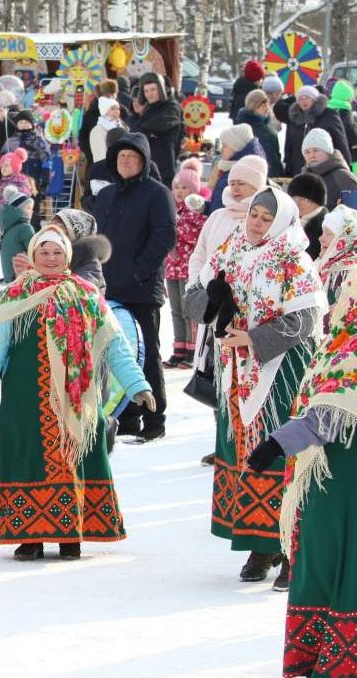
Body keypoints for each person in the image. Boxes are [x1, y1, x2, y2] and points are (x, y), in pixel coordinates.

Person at [0, 227, 154, 560]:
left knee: (72, 460)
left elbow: (115, 346)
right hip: (25, 401)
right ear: (33, 256)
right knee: (28, 461)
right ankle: (29, 537)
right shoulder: (13, 296)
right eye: (44, 253)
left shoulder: (86, 295)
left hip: (74, 401)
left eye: (57, 253)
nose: (51, 259)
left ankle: (70, 535)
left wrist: (137, 385)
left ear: (68, 257)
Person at [184, 186, 324, 590]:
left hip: (281, 368)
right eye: (255, 215)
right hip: (236, 369)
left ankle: (290, 546)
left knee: (280, 451)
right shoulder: (230, 249)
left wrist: (254, 338)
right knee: (245, 452)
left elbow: (306, 318)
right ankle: (260, 544)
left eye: (267, 217)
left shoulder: (293, 258)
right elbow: (196, 296)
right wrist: (211, 304)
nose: (258, 223)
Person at [248, 269, 357, 670]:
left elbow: (325, 419)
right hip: (334, 481)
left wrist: (276, 444)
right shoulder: (338, 344)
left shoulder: (348, 349)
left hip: (340, 486)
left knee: (334, 563)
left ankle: (337, 660)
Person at [93, 131, 176, 441]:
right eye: (121, 156)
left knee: (146, 354)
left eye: (132, 156)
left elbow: (164, 236)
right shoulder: (106, 195)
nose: (126, 161)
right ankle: (126, 417)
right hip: (109, 289)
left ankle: (154, 419)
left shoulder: (157, 193)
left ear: (144, 161)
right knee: (115, 355)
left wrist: (138, 271)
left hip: (142, 290)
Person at [189, 156, 269, 284]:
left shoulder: (266, 220)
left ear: (257, 186)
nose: (236, 188)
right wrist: (195, 284)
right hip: (208, 291)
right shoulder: (217, 216)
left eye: (241, 183)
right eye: (232, 183)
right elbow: (199, 254)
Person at [164, 158, 207, 368]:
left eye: (185, 188)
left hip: (188, 268)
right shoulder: (172, 210)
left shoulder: (196, 213)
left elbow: (196, 237)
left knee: (188, 310)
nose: (180, 192)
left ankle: (192, 349)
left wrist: (177, 227)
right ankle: (178, 348)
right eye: (177, 187)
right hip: (172, 268)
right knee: (175, 310)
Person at [285, 85, 350, 177]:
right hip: (300, 171)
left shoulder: (329, 115)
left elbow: (341, 142)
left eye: (307, 97)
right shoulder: (294, 119)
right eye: (300, 98)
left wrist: (346, 166)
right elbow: (289, 147)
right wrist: (288, 171)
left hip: (327, 170)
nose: (303, 101)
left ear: (314, 99)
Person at [135, 73, 184, 188]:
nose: (149, 94)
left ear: (160, 89)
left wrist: (146, 129)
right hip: (148, 161)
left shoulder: (171, 106)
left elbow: (161, 124)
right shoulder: (149, 108)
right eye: (146, 91)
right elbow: (137, 129)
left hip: (165, 164)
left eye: (153, 89)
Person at [208, 123, 265, 213]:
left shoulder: (246, 171)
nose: (221, 150)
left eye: (225, 146)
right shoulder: (227, 167)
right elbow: (219, 204)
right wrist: (204, 207)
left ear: (237, 147)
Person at [299, 128, 357, 210]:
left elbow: (353, 212)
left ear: (328, 152)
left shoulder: (343, 177)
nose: (311, 156)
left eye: (316, 150)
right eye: (307, 152)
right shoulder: (302, 178)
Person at [313, 204, 357, 306]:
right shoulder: (322, 265)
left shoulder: (345, 272)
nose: (321, 238)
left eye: (328, 234)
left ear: (344, 239)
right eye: (322, 232)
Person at [236, 89, 285, 178]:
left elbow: (276, 151)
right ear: (253, 106)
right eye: (262, 105)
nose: (267, 108)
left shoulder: (269, 124)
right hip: (255, 174)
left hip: (273, 173)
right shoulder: (245, 126)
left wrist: (279, 170)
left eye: (267, 104)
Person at [288, 172, 329, 260]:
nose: (297, 204)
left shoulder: (325, 226)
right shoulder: (292, 219)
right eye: (293, 199)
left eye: (302, 199)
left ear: (316, 201)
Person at [0, 188, 34, 283]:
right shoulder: (25, 228)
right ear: (19, 209)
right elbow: (35, 253)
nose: (32, 211)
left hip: (9, 277)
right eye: (28, 208)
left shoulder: (8, 228)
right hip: (21, 276)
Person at [89, 96, 126, 167]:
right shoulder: (98, 130)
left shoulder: (122, 127)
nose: (116, 111)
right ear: (104, 111)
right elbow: (100, 157)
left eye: (117, 109)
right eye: (112, 109)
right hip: (108, 169)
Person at [327, 79, 357, 165]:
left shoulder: (327, 110)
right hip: (346, 153)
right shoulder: (345, 111)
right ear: (348, 97)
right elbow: (349, 128)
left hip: (329, 153)